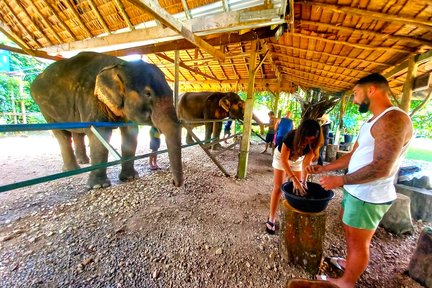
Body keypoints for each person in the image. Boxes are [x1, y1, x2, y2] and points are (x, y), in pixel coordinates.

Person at [306, 73, 413, 288]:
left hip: (369, 195)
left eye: (356, 93)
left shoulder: (393, 119)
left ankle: (346, 282)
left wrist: (341, 180)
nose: (354, 99)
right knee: (350, 232)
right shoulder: (372, 120)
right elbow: (353, 155)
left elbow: (382, 168)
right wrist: (325, 167)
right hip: (357, 191)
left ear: (371, 90)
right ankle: (350, 264)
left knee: (358, 242)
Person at [265, 119, 323, 234]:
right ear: (301, 134)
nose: (308, 142)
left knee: (299, 188)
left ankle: (295, 219)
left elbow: (306, 164)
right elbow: (283, 161)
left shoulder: (314, 142)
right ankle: (271, 218)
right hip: (281, 157)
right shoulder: (290, 137)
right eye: (306, 139)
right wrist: (294, 179)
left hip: (298, 160)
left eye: (312, 140)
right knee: (278, 187)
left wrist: (303, 181)